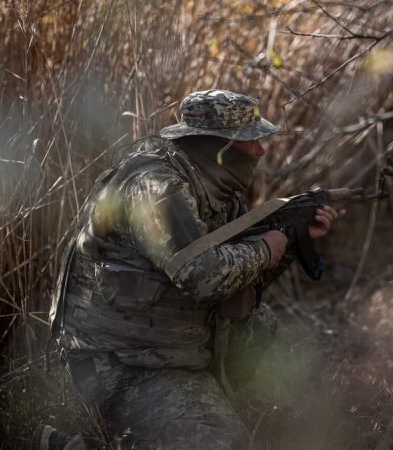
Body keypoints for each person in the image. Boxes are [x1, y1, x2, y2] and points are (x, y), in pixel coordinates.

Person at [36, 90, 342, 450]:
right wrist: (264, 248)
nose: (260, 151)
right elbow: (202, 277)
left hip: (162, 345)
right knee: (218, 443)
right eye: (250, 142)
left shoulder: (217, 190)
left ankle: (189, 408)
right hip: (115, 361)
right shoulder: (156, 188)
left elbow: (241, 285)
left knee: (261, 329)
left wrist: (291, 238)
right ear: (220, 148)